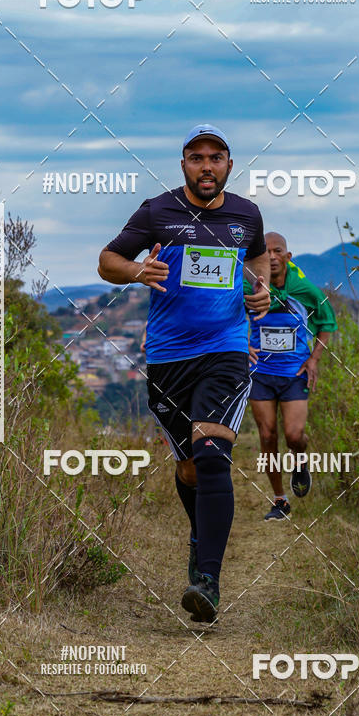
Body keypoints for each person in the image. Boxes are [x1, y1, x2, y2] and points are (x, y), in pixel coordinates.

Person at [98, 124, 270, 622]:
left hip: (226, 349)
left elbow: (255, 260)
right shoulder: (158, 210)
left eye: (216, 157)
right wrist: (136, 272)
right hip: (170, 357)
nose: (207, 166)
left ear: (229, 166)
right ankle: (200, 540)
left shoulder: (246, 214)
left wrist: (258, 291)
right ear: (184, 166)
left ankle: (208, 581)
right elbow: (108, 258)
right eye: (196, 158)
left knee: (211, 452)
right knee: (190, 466)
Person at [244, 232, 337, 521]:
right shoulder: (249, 287)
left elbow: (327, 323)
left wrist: (314, 359)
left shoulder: (306, 291)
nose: (271, 256)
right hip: (261, 373)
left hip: (294, 373)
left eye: (277, 251)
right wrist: (242, 345)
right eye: (266, 252)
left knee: (295, 435)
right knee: (267, 435)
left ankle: (300, 461)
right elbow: (228, 318)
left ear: (288, 257)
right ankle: (280, 500)